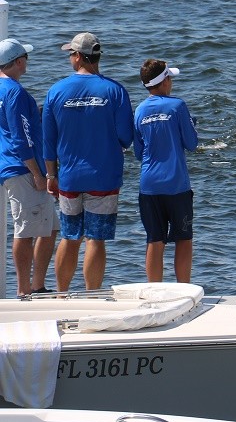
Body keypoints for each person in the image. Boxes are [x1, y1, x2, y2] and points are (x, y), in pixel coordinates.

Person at [43, 32, 135, 291]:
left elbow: (48, 141)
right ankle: (91, 295)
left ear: (78, 57)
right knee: (95, 239)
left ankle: (61, 295)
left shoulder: (56, 91)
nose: (69, 59)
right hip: (104, 176)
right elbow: (125, 137)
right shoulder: (115, 90)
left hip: (69, 177)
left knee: (70, 237)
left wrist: (51, 176)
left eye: (70, 54)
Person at [0, 38, 57, 297]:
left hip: (10, 164)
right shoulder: (15, 92)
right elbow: (21, 136)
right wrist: (37, 173)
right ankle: (25, 291)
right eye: (26, 58)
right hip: (22, 168)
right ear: (18, 62)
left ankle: (37, 286)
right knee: (24, 230)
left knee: (51, 227)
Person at [134, 60, 199, 283]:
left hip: (149, 186)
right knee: (183, 238)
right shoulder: (177, 106)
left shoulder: (139, 110)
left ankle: (154, 291)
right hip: (176, 184)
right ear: (164, 81)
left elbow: (138, 152)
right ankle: (185, 289)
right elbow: (192, 144)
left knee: (154, 240)